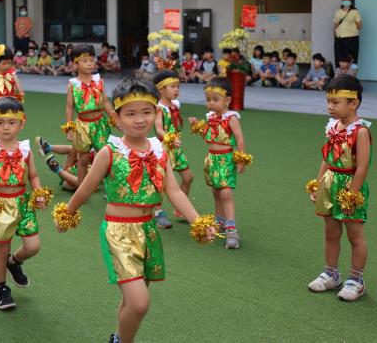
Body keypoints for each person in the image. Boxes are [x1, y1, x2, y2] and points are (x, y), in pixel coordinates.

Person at [53, 77, 216, 343]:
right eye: (130, 114)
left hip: (148, 232)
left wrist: (198, 222)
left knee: (133, 302)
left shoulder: (159, 149)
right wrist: (67, 213)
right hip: (118, 232)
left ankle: (117, 338)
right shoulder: (110, 150)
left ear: (155, 113)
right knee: (140, 303)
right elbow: (84, 188)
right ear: (117, 119)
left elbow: (173, 191)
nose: (139, 120)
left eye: (146, 112)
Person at [0, 97, 51, 310]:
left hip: (23, 203)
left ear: (22, 123)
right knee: (1, 251)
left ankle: (15, 262)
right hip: (0, 205)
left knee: (33, 246)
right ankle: (1, 289)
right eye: (0, 122)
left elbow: (34, 176)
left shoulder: (26, 150)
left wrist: (38, 193)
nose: (6, 127)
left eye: (11, 122)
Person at [307, 75, 370, 301]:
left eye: (335, 102)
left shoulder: (360, 131)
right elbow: (327, 158)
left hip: (350, 187)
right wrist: (318, 183)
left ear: (353, 103)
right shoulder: (333, 126)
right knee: (331, 231)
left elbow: (362, 168)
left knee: (355, 235)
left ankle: (356, 280)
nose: (329, 107)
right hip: (330, 183)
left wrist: (352, 196)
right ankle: (331, 273)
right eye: (328, 101)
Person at [188, 77, 251, 249]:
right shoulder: (210, 118)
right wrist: (198, 127)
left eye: (215, 100)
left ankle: (231, 228)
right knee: (216, 192)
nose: (211, 103)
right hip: (212, 159)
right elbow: (208, 138)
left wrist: (240, 159)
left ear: (227, 100)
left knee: (226, 193)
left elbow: (239, 139)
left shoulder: (231, 118)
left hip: (226, 159)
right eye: (208, 100)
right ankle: (220, 220)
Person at [61, 44, 116, 186]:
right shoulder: (73, 85)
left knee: (108, 156)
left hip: (100, 124)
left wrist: (114, 117)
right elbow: (69, 107)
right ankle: (81, 188)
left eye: (92, 60)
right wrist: (69, 128)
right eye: (85, 60)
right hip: (82, 126)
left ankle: (111, 190)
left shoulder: (99, 81)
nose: (90, 63)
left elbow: (105, 102)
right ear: (75, 64)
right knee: (83, 160)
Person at [153, 70, 194, 228]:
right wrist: (170, 138)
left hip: (176, 149)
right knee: (162, 184)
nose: (177, 90)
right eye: (173, 86)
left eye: (178, 86)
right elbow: (158, 129)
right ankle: (158, 213)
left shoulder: (175, 105)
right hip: (163, 149)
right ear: (161, 89)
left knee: (188, 177)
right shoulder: (159, 108)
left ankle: (179, 207)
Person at [334, 0, 362, 67]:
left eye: (349, 0)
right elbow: (335, 26)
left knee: (353, 58)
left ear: (351, 2)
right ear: (342, 1)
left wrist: (355, 23)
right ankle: (339, 77)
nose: (346, 1)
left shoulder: (355, 11)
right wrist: (335, 36)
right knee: (339, 58)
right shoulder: (338, 12)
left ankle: (352, 76)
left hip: (352, 38)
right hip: (339, 38)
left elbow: (360, 26)